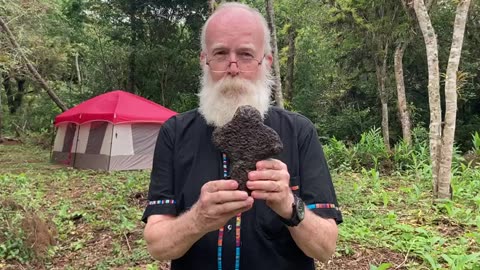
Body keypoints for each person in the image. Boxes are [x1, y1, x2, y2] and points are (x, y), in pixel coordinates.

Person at [142, 2, 343, 270]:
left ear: (266, 62)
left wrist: (288, 203)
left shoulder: (298, 132)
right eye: (221, 53)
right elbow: (157, 246)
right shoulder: (175, 132)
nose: (233, 68)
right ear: (205, 60)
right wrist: (197, 219)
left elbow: (325, 248)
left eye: (246, 54)